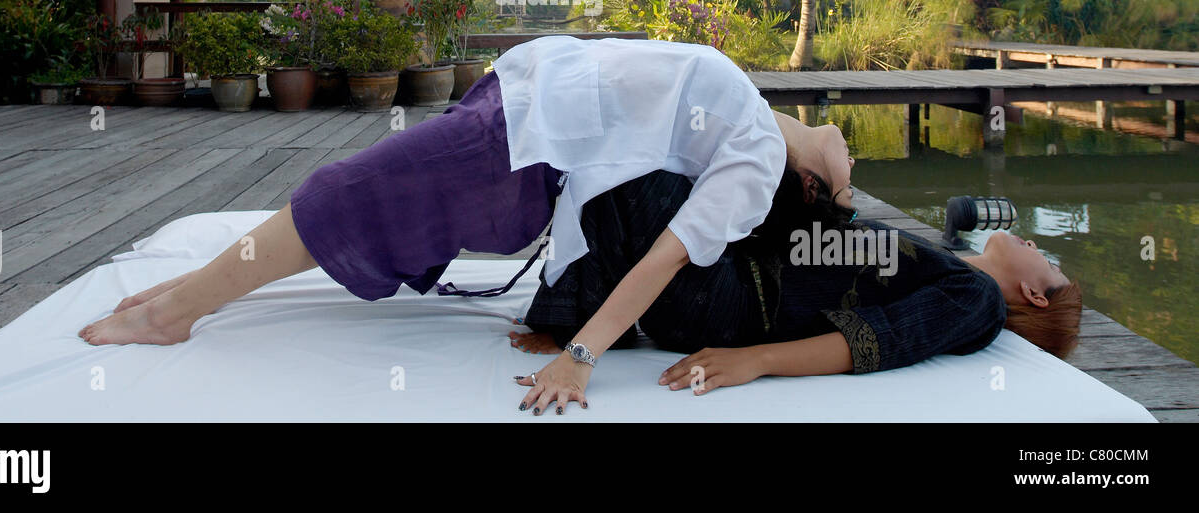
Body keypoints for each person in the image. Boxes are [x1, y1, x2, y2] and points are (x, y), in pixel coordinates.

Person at [79, 36, 856, 417]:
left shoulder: (757, 163)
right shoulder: (760, 118)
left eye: (843, 186)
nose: (854, 169)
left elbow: (662, 258)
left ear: (811, 183)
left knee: (346, 195)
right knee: (351, 194)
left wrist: (583, 354)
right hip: (518, 101)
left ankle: (177, 312)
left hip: (521, 152)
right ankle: (189, 290)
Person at [509, 167, 1081, 396]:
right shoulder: (949, 264)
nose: (1036, 246)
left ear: (1034, 296)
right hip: (733, 269)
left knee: (639, 180)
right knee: (650, 164)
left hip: (733, 304)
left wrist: (756, 360)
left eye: (1049, 264)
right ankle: (578, 316)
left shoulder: (978, 301)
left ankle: (574, 327)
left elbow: (876, 339)